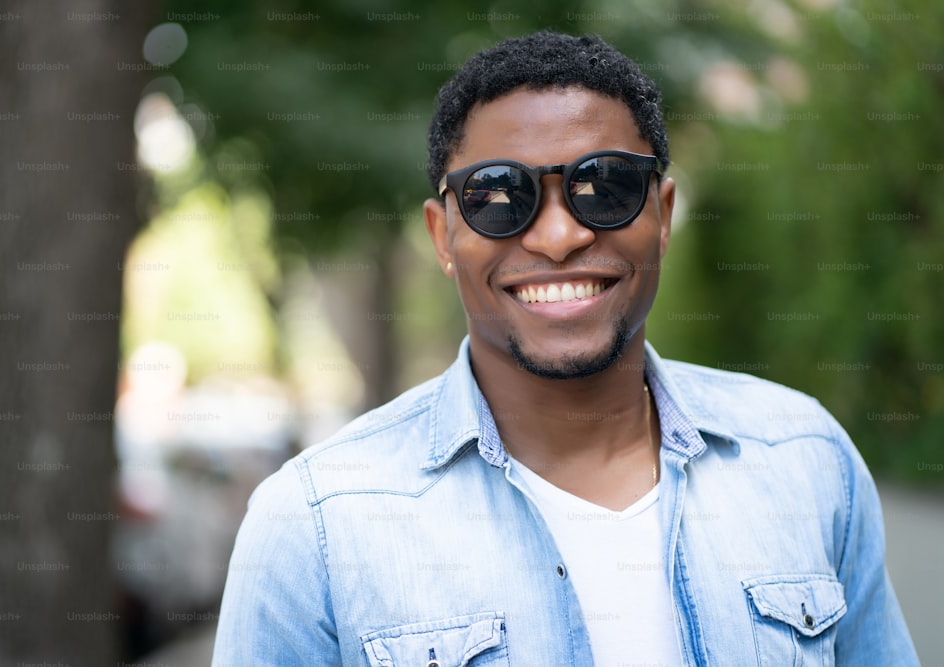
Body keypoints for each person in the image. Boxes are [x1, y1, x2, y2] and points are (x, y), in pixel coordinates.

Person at [212, 31, 918, 666]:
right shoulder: (315, 523)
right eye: (498, 196)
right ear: (441, 237)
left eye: (604, 187)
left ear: (662, 215)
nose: (558, 237)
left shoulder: (805, 459)